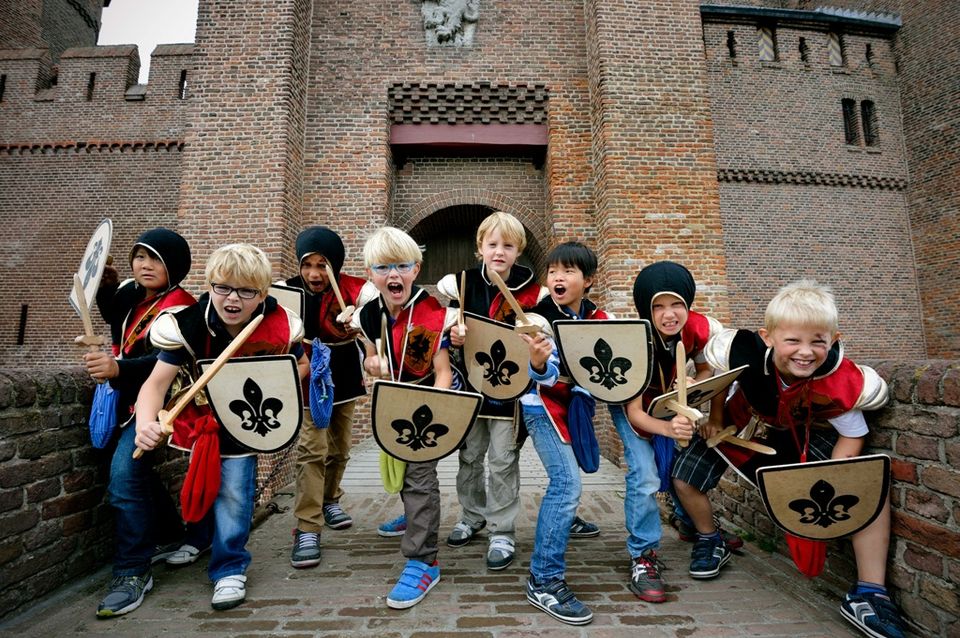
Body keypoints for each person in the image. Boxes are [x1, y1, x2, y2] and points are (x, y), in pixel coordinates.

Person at [672, 280, 904, 638]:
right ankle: (710, 538)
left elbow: (853, 434)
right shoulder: (744, 354)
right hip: (743, 425)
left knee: (868, 485)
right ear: (768, 337)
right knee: (685, 477)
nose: (805, 353)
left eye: (817, 341)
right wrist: (715, 417)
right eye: (793, 341)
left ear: (834, 339)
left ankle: (870, 593)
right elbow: (720, 379)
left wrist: (835, 475)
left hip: (804, 435)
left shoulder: (838, 380)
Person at [134, 244, 308, 611]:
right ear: (210, 285)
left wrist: (269, 380)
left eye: (246, 291)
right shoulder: (188, 324)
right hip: (202, 422)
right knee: (201, 479)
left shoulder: (281, 325)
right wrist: (145, 424)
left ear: (262, 294)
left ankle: (229, 566)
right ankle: (200, 537)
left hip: (246, 418)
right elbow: (155, 384)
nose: (233, 299)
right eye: (223, 287)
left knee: (233, 491)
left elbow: (300, 366)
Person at [87, 228, 195, 618]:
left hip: (158, 405)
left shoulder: (182, 307)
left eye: (155, 259)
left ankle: (133, 571)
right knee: (135, 474)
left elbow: (162, 362)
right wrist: (104, 290)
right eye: (139, 257)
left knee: (123, 475)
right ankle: (168, 534)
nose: (144, 265)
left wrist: (117, 367)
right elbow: (116, 318)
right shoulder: (136, 294)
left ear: (174, 266)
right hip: (125, 398)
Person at [353, 227, 456, 610]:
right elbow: (368, 358)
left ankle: (423, 559)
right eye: (383, 267)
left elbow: (443, 370)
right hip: (390, 404)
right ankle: (414, 516)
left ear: (416, 268)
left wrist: (438, 405)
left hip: (425, 406)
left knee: (419, 479)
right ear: (370, 273)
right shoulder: (367, 315)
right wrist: (371, 361)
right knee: (404, 476)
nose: (393, 275)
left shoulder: (433, 314)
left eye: (402, 266)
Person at [435, 211, 544, 570]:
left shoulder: (532, 291)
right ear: (480, 247)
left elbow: (541, 344)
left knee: (502, 461)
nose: (499, 251)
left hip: (509, 393)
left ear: (518, 251)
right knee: (469, 458)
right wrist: (454, 337)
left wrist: (534, 340)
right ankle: (471, 515)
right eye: (492, 244)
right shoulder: (463, 284)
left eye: (507, 245)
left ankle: (502, 529)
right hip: (471, 386)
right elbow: (448, 341)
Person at [620, 261, 726, 602]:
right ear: (645, 308)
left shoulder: (695, 328)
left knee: (680, 459)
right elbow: (634, 412)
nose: (669, 314)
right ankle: (642, 555)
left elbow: (711, 366)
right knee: (645, 473)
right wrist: (666, 426)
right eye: (658, 306)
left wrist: (696, 382)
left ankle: (690, 522)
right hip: (634, 401)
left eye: (677, 303)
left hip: (670, 400)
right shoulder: (633, 342)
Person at [518, 241, 608, 626]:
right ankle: (544, 578)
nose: (558, 277)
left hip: (577, 410)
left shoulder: (599, 317)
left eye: (569, 271)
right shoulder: (536, 319)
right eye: (553, 271)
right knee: (566, 483)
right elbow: (537, 376)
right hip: (541, 408)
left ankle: (564, 519)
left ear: (587, 280)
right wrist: (537, 362)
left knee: (572, 479)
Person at [286, 226, 377, 568]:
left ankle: (329, 499)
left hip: (344, 370)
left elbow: (376, 326)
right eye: (307, 265)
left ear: (335, 264)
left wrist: (363, 329)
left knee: (340, 446)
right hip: (310, 371)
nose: (314, 273)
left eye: (322, 265)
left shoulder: (356, 289)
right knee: (312, 448)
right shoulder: (288, 293)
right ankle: (308, 525)